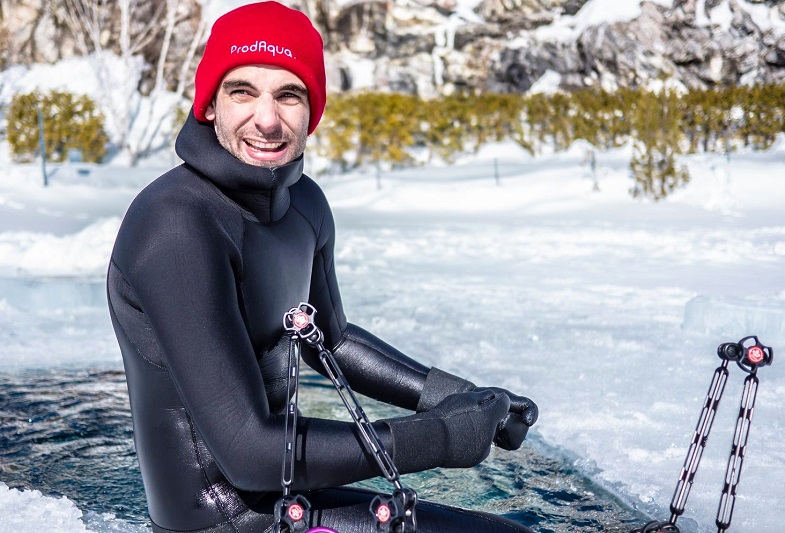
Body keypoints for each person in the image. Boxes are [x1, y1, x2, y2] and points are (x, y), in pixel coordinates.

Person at [106, 2, 538, 532]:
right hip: (220, 518)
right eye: (243, 91)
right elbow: (246, 449)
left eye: (289, 94)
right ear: (210, 105)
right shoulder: (176, 226)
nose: (266, 120)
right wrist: (442, 437)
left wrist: (464, 400)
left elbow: (327, 341)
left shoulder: (304, 204)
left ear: (313, 110)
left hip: (281, 491)